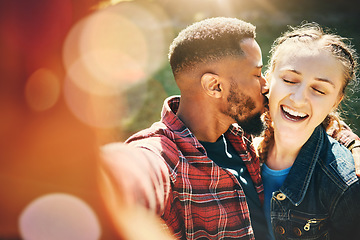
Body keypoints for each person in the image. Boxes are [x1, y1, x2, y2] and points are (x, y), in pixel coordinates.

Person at [100, 17, 360, 240]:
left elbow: (316, 119)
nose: (265, 86)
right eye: (258, 74)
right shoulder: (163, 156)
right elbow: (138, 171)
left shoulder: (241, 135)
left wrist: (353, 145)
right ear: (215, 86)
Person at [257, 23, 360, 239]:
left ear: (336, 101)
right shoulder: (238, 142)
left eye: (319, 90)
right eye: (289, 80)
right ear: (269, 79)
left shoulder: (344, 185)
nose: (299, 98)